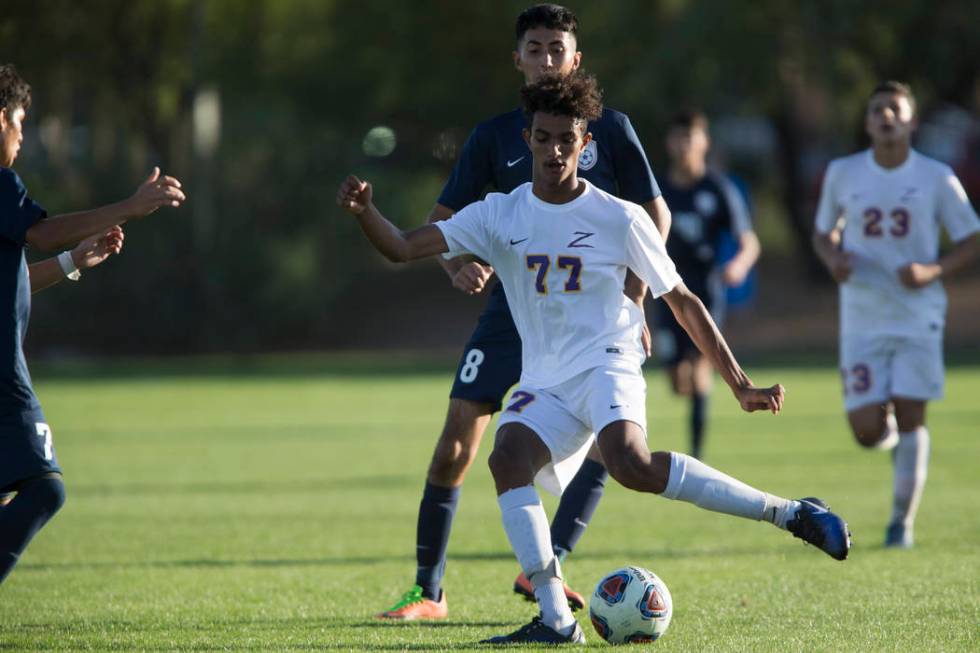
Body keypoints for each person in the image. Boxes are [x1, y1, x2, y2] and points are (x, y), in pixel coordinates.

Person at [339, 71, 851, 645]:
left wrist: (738, 382)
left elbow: (681, 300)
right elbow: (406, 246)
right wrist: (365, 214)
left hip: (609, 360)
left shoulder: (619, 217)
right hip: (546, 379)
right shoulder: (498, 213)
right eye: (543, 137)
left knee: (629, 462)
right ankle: (556, 620)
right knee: (506, 458)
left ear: (586, 146)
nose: (555, 150)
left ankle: (789, 513)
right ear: (527, 139)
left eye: (567, 140)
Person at [375, 4, 671, 620]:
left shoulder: (609, 128)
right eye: (534, 48)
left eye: (556, 49)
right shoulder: (492, 136)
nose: (546, 59)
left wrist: (635, 297)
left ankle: (547, 567)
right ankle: (428, 592)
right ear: (518, 59)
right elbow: (438, 226)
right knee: (458, 443)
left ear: (576, 59)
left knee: (607, 441)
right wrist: (456, 265)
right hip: (516, 314)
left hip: (594, 324)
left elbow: (654, 216)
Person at [0, 63, 186, 584]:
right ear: (0, 118)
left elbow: (14, 274)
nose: (22, 134)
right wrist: (128, 207)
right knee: (44, 486)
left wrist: (72, 263)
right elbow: (42, 231)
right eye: (20, 120)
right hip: (3, 384)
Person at [812, 81, 979, 548]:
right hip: (863, 317)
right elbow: (824, 234)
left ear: (912, 120)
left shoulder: (936, 177)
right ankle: (895, 449)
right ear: (867, 123)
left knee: (911, 414)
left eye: (895, 109)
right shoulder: (844, 173)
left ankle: (900, 524)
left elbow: (971, 240)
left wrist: (933, 269)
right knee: (867, 431)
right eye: (878, 110)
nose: (886, 116)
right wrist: (834, 259)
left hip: (918, 315)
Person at [649, 110, 760, 460]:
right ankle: (690, 388)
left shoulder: (718, 188)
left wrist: (739, 265)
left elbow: (749, 240)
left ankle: (696, 454)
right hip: (665, 290)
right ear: (669, 143)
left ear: (704, 142)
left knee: (700, 372)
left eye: (691, 137)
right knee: (677, 381)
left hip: (704, 292)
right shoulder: (657, 190)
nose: (684, 145)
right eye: (678, 138)